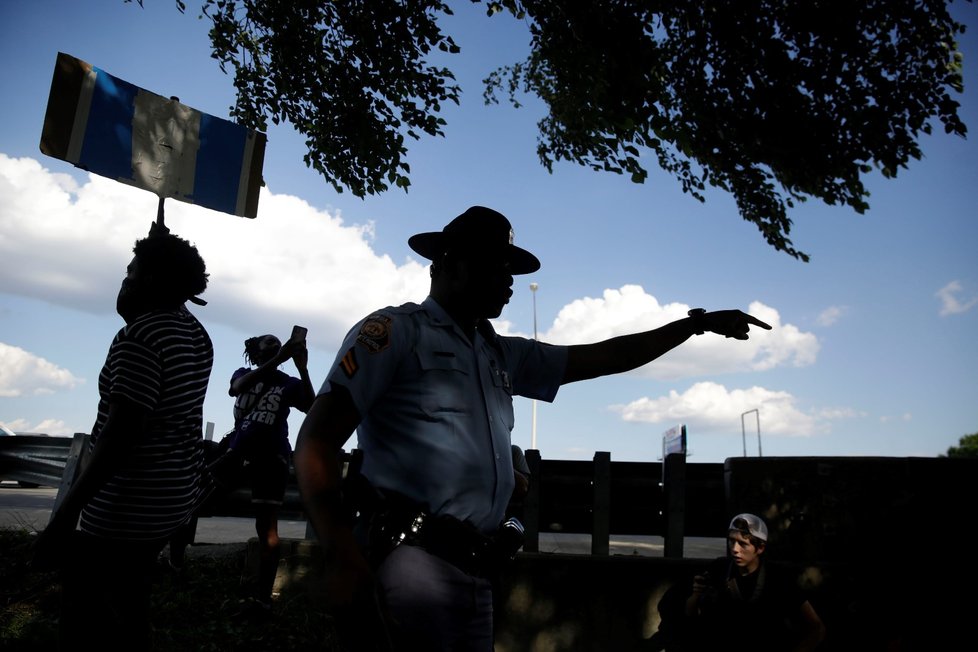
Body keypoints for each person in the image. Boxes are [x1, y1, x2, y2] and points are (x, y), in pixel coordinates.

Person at [294, 205, 772, 651]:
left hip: (478, 570)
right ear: (452, 263)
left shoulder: (497, 353)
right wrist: (341, 555)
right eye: (498, 267)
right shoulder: (396, 332)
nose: (510, 281)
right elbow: (316, 442)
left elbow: (604, 356)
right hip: (410, 562)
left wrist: (692, 327)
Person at [31, 223, 212, 650]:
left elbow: (122, 434)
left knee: (86, 617)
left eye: (129, 274)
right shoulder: (194, 332)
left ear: (148, 281)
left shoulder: (140, 337)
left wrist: (65, 516)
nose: (123, 283)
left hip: (124, 505)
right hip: (166, 502)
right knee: (130, 603)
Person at [211, 330, 315, 614]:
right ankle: (176, 561)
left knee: (267, 528)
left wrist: (302, 368)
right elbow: (237, 387)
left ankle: (263, 598)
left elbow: (312, 406)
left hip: (272, 456)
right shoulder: (243, 372)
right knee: (195, 492)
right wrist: (279, 358)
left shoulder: (288, 383)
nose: (275, 343)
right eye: (268, 341)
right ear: (255, 352)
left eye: (277, 342)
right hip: (237, 451)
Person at [684, 513, 826, 651]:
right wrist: (696, 595)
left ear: (760, 548)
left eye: (743, 544)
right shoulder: (719, 568)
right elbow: (691, 615)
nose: (735, 549)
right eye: (732, 541)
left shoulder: (778, 578)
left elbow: (816, 627)